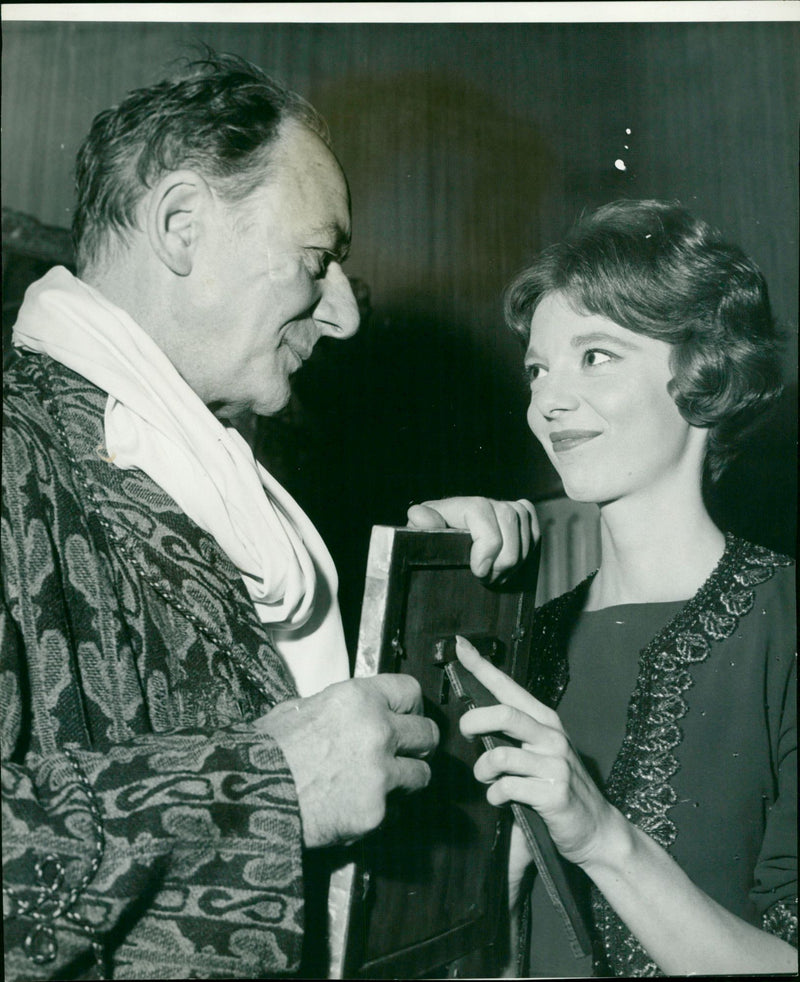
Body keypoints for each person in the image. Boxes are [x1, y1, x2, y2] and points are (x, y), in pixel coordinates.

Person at [1, 52, 536, 981]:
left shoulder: (228, 473)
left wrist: (431, 580)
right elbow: (286, 767)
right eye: (316, 260)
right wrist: (267, 789)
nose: (344, 317)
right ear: (180, 226)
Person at [450, 198, 798, 977]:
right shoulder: (528, 639)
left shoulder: (785, 625)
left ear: (703, 368)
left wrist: (603, 839)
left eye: (595, 356)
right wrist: (431, 571)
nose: (547, 401)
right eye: (537, 368)